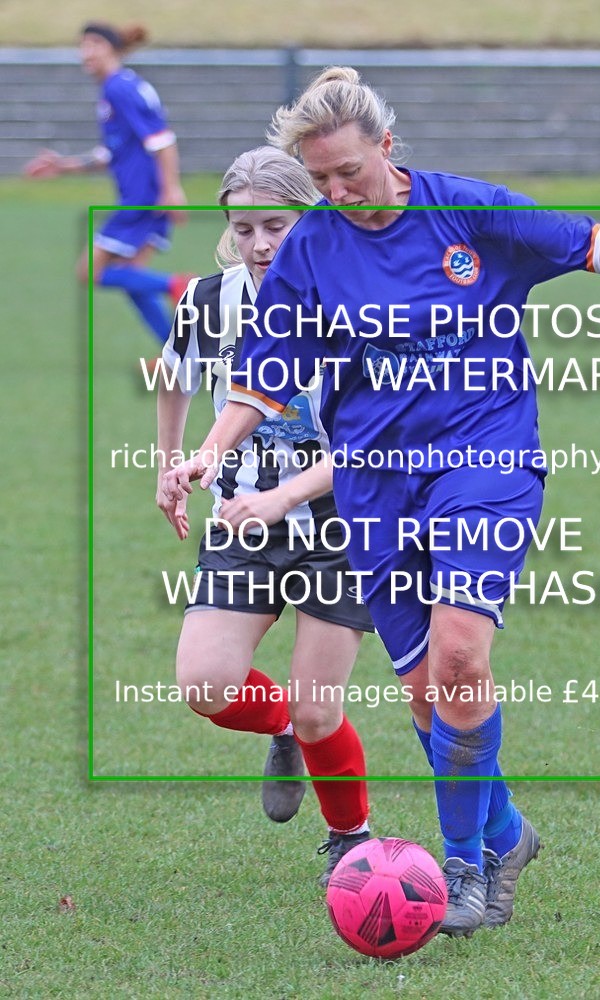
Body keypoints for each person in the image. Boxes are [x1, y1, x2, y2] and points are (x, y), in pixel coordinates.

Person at [161, 67, 600, 936]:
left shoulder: (464, 209)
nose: (338, 192)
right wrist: (209, 452)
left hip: (483, 462)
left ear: (388, 149)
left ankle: (466, 868)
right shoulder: (314, 248)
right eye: (319, 181)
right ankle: (503, 832)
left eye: (349, 172)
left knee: (461, 657)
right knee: (429, 696)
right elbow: (266, 374)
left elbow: (580, 237)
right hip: (375, 484)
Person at [156, 145, 374, 886]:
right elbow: (175, 375)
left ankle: (352, 839)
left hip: (337, 528)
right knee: (206, 686)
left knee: (322, 712)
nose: (259, 244)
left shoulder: (358, 304)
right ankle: (278, 728)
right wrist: (173, 460)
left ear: (309, 218)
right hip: (241, 522)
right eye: (243, 227)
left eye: (275, 225)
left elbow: (373, 446)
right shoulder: (209, 300)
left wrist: (285, 495)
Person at [24, 22, 191, 348]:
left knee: (88, 272)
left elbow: (162, 139)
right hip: (144, 194)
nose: (85, 52)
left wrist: (171, 189)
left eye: (94, 43)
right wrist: (64, 165)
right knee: (132, 277)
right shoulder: (119, 87)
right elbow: (113, 151)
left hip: (143, 198)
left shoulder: (119, 88)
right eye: (82, 45)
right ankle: (180, 352)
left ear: (112, 48)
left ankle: (179, 285)